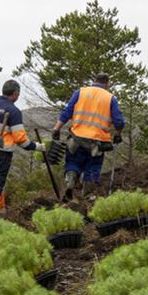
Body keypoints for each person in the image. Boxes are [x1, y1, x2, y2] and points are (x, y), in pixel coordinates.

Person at [52, 73, 125, 201]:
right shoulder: (110, 98)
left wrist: (56, 128)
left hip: (77, 138)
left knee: (73, 162)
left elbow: (67, 112)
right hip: (97, 142)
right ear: (107, 84)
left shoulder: (80, 92)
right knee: (92, 167)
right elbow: (119, 122)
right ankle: (86, 196)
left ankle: (70, 181)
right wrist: (118, 134)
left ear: (94, 81)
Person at [0, 79, 38, 215]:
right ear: (15, 94)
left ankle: (0, 211)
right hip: (2, 152)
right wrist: (35, 146)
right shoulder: (14, 111)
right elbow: (21, 140)